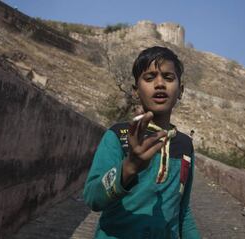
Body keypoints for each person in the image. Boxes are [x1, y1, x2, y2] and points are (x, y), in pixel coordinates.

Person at [83, 46, 200, 239]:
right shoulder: (118, 136)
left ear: (180, 90)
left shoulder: (185, 145)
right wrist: (129, 167)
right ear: (136, 91)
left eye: (168, 78)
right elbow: (92, 198)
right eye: (150, 77)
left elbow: (183, 211)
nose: (160, 84)